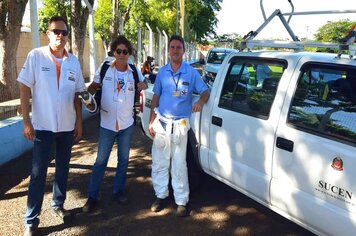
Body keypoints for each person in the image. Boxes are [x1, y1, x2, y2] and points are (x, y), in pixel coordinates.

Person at [17, 16, 85, 235]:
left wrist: (79, 121)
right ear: (48, 33)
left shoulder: (73, 61)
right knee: (38, 173)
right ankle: (31, 218)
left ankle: (58, 204)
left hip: (66, 126)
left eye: (64, 32)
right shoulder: (36, 56)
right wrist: (26, 121)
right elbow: (25, 88)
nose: (60, 36)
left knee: (63, 169)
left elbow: (77, 94)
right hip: (43, 126)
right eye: (56, 31)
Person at [82, 35, 147, 213]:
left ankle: (118, 191)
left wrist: (144, 85)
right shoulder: (104, 68)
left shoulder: (134, 71)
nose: (122, 54)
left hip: (126, 123)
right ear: (113, 52)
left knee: (124, 160)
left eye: (125, 52)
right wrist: (87, 93)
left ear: (129, 54)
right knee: (100, 161)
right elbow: (93, 86)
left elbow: (144, 84)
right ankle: (92, 196)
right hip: (107, 123)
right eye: (118, 51)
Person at [148, 35, 209, 217]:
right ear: (168, 50)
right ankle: (160, 195)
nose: (175, 50)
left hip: (181, 125)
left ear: (183, 51)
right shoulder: (162, 73)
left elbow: (205, 91)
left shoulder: (191, 72)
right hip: (162, 123)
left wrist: (200, 101)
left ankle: (181, 200)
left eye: (178, 47)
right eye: (172, 47)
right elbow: (156, 96)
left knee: (179, 164)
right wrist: (152, 119)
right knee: (159, 163)